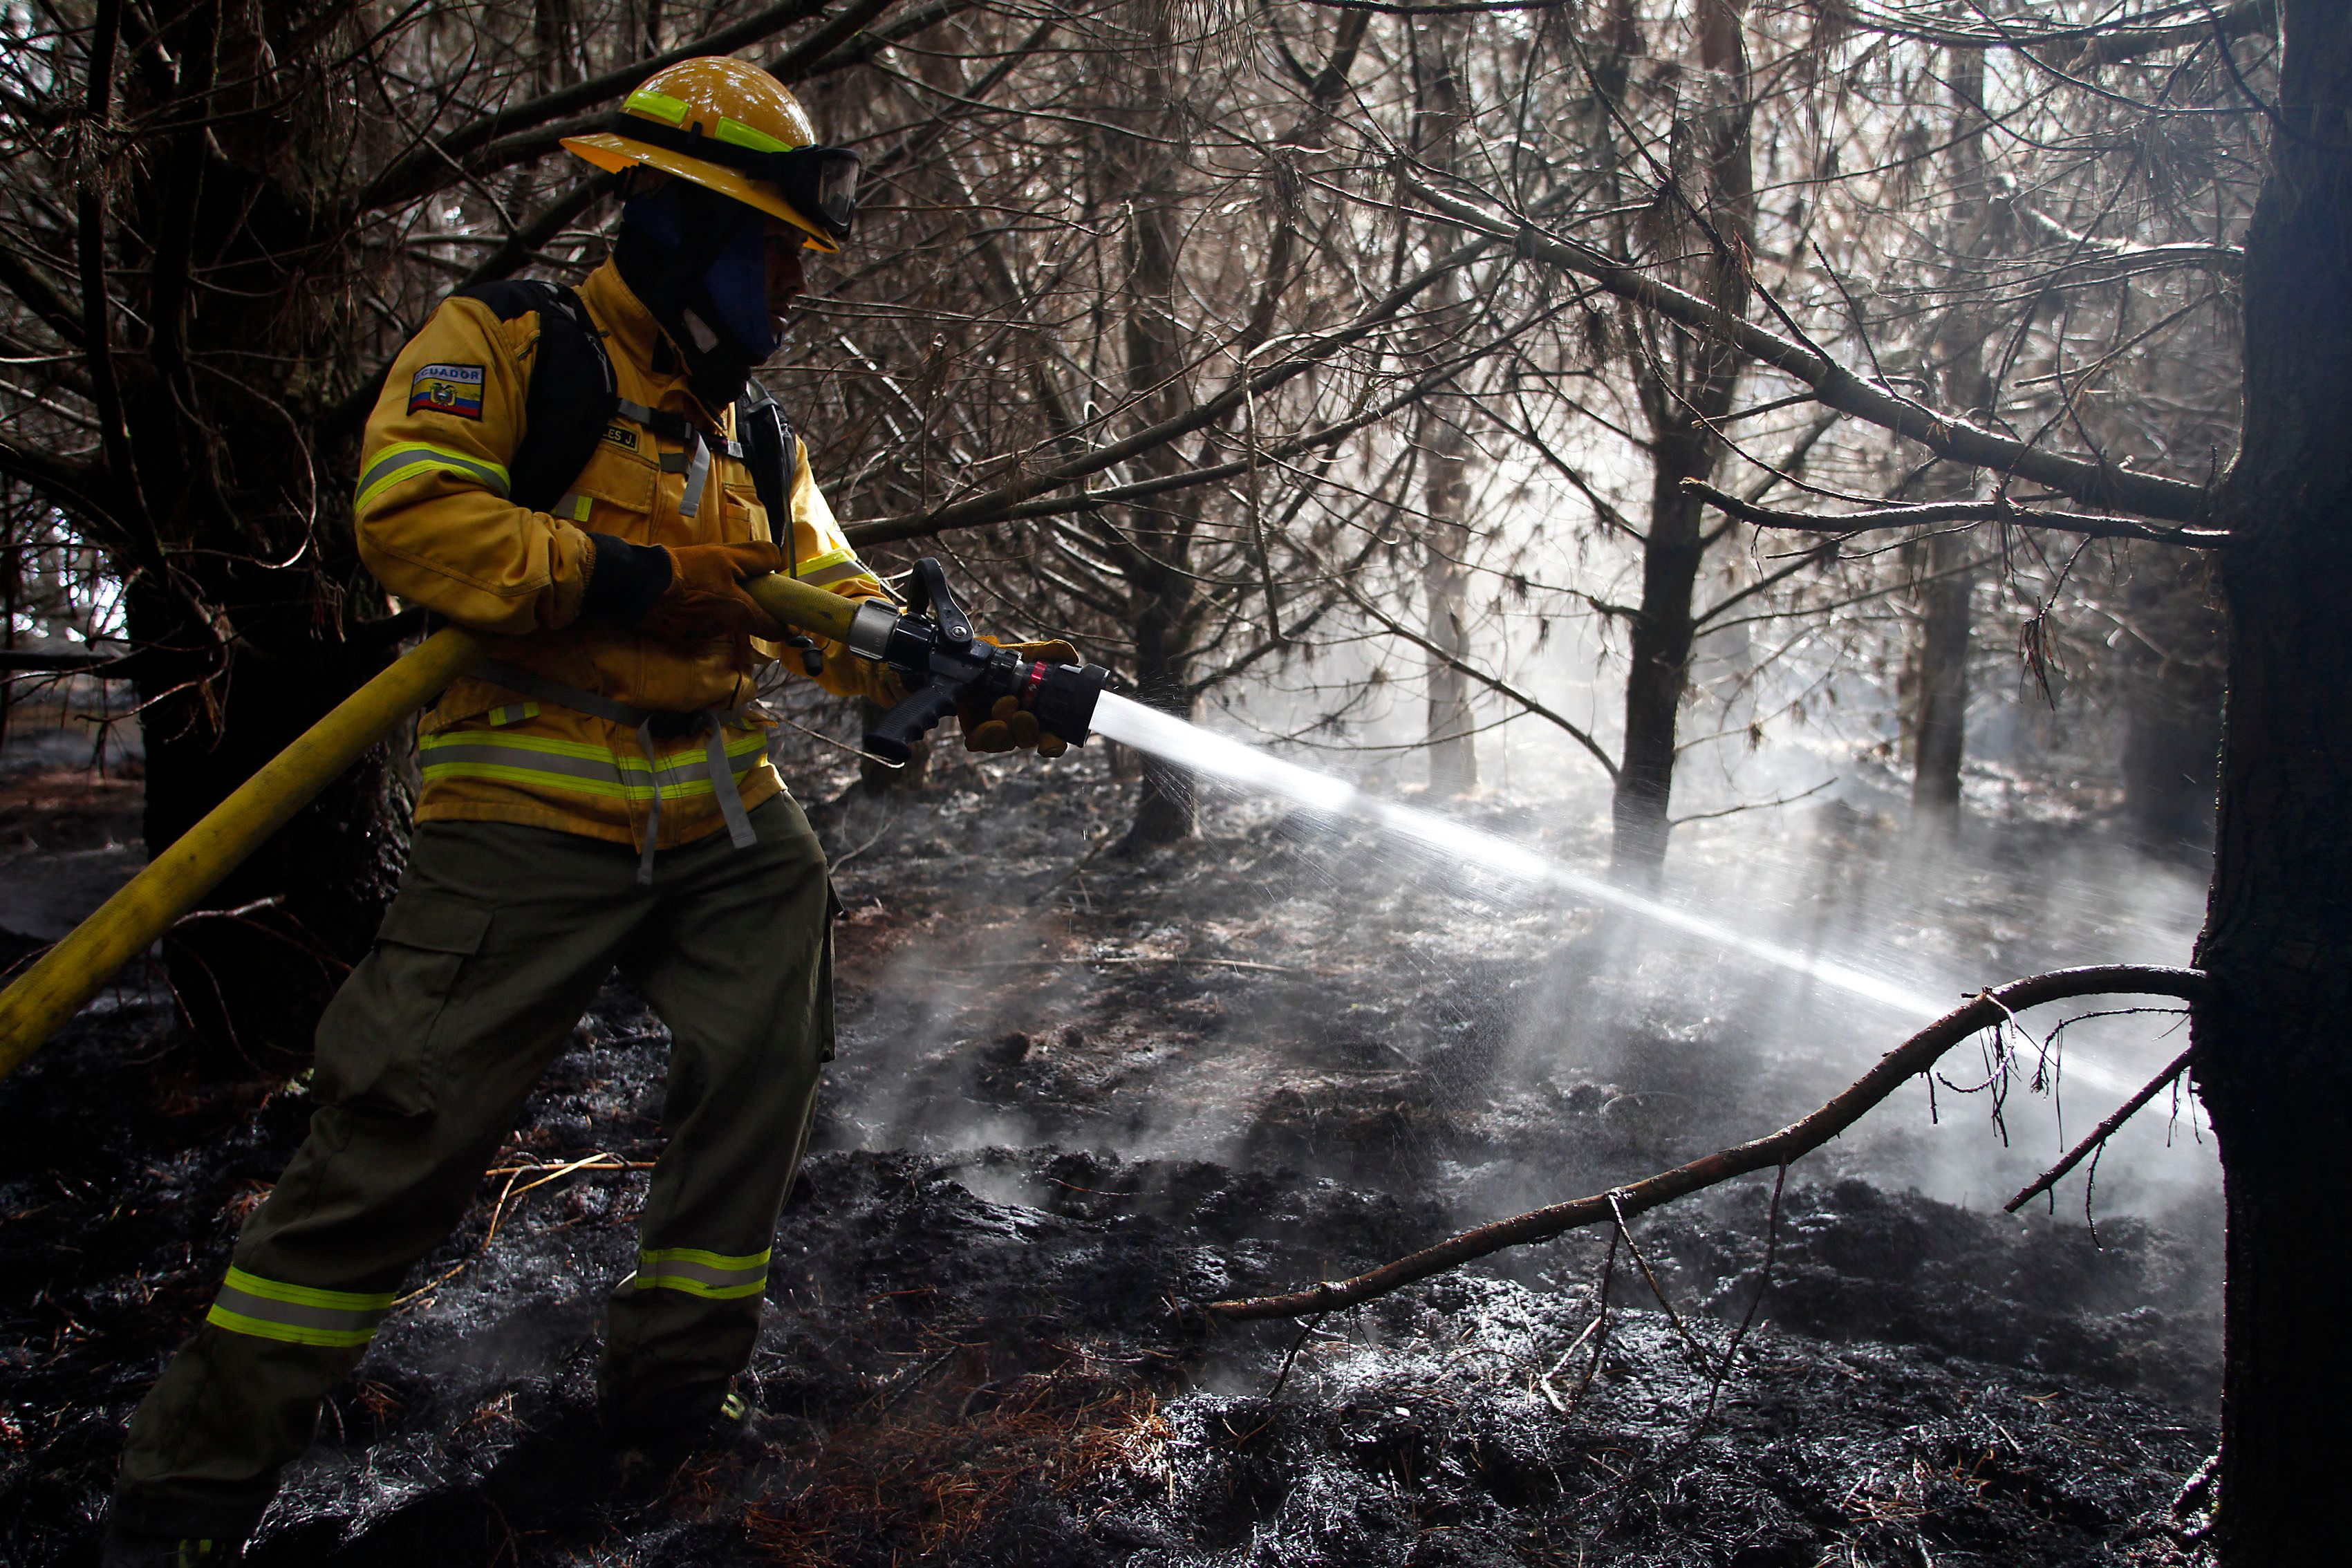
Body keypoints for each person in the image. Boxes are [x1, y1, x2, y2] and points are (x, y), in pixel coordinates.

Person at [100, 57, 1068, 1565]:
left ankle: (671, 1402)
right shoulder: (511, 346)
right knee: (396, 1141)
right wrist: (621, 576)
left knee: (765, 1056)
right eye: (774, 252)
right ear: (678, 227)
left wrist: (986, 680)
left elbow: (837, 612)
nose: (792, 289)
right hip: (528, 807)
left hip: (724, 811)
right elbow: (410, 514)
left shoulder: (756, 440)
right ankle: (179, 1504)